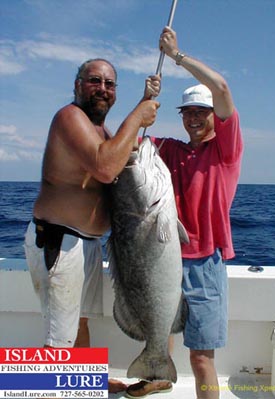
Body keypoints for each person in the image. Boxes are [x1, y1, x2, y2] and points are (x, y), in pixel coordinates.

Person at [24, 58, 160, 394]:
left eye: (110, 84)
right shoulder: (68, 118)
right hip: (61, 242)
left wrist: (143, 104)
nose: (102, 89)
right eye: (94, 80)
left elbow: (119, 157)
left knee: (79, 324)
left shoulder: (101, 131)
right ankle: (50, 388)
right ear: (77, 84)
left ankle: (86, 385)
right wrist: (138, 114)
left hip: (87, 244)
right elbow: (104, 166)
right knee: (59, 343)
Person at [125, 27, 243, 399]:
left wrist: (177, 57)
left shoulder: (226, 149)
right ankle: (156, 377)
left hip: (206, 263)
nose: (194, 119)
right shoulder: (170, 151)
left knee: (201, 359)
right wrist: (145, 101)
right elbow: (128, 144)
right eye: (188, 112)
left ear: (214, 116)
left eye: (201, 113)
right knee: (160, 333)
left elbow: (222, 90)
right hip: (163, 254)